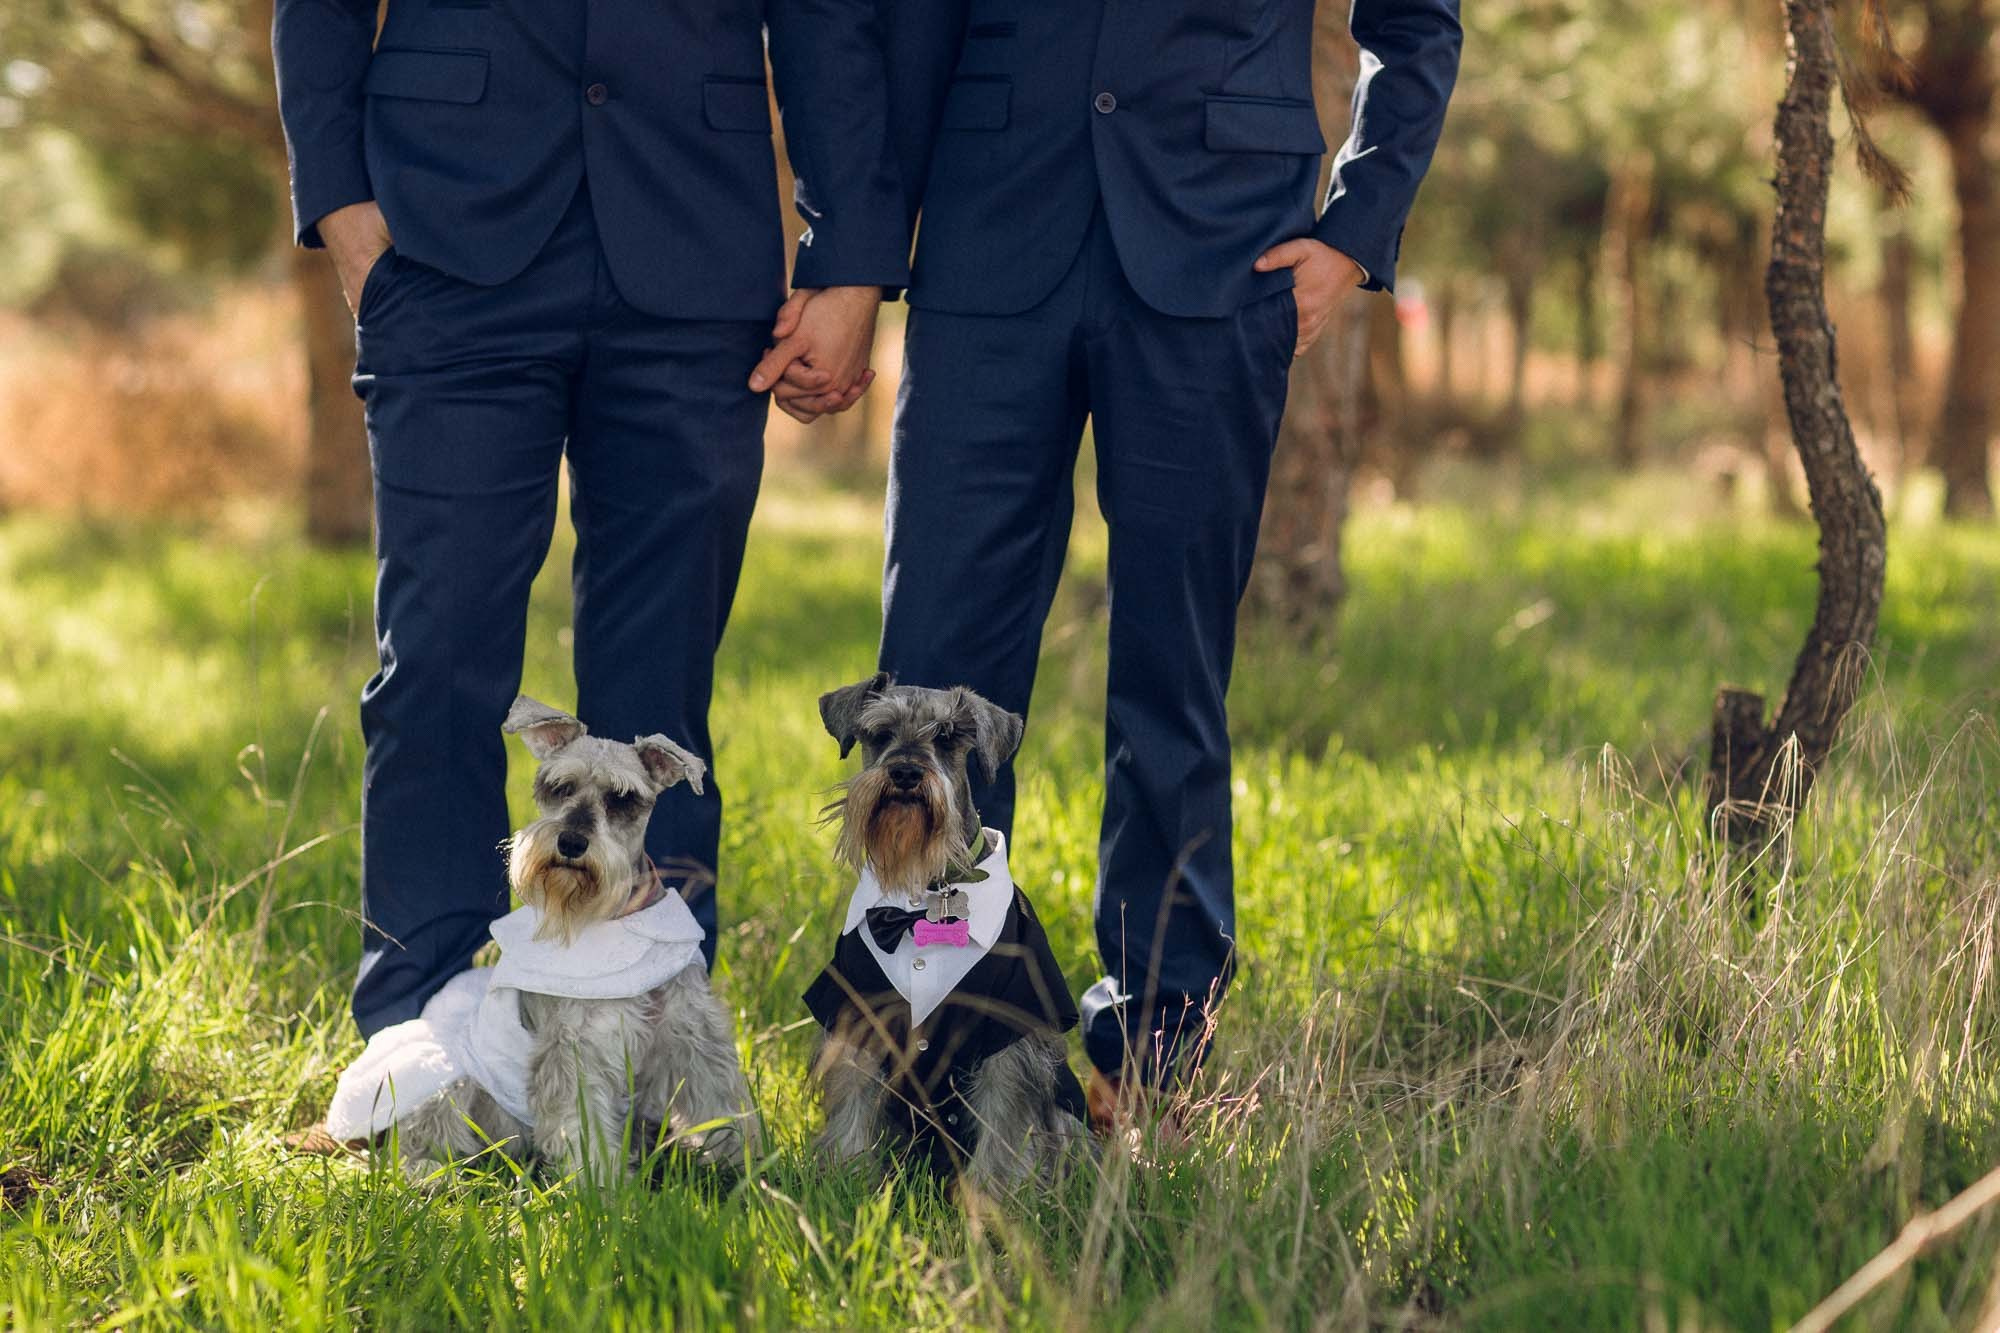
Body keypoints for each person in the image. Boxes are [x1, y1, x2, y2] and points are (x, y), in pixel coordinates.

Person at [778, 0, 1463, 1122]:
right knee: (934, 672)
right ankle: (928, 1044)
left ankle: (1154, 1048)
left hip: (1219, 246)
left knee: (1170, 675)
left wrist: (1354, 231)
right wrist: (852, 251)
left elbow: (1415, 18)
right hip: (983, 236)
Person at [272, 0, 900, 1037]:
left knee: (658, 692)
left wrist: (850, 260)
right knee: (437, 657)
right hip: (441, 243)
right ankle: (422, 1041)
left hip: (694, 247)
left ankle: (654, 1051)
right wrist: (342, 208)